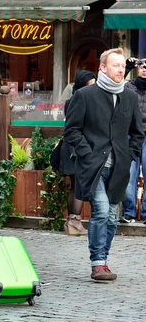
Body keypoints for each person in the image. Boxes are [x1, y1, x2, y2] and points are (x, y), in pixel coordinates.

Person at [64, 48, 144, 281]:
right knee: (100, 210)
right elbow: (72, 130)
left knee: (110, 216)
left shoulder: (129, 96)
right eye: (116, 65)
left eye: (122, 65)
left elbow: (137, 133)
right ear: (103, 68)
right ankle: (98, 263)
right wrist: (86, 154)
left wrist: (129, 154)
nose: (121, 69)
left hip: (119, 166)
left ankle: (104, 260)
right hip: (93, 165)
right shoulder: (86, 95)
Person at [56, 70, 96, 236]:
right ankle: (74, 222)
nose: (94, 86)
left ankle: (71, 221)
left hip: (70, 146)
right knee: (79, 185)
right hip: (75, 148)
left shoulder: (71, 99)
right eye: (91, 83)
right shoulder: (81, 99)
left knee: (75, 184)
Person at [121, 57, 146, 223]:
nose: (145, 69)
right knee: (130, 174)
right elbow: (115, 85)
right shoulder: (129, 86)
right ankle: (129, 212)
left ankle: (145, 213)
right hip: (132, 134)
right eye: (142, 65)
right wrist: (128, 66)